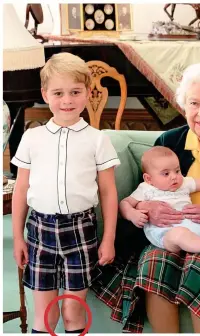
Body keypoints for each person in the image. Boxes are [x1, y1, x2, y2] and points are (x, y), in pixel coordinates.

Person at [90, 62, 200, 333]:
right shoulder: (169, 142)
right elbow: (145, 191)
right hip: (167, 235)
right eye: (194, 103)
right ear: (184, 106)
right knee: (154, 262)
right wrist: (148, 209)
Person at [11, 52, 119, 334]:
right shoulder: (32, 138)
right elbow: (21, 189)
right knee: (45, 316)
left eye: (75, 92)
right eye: (58, 93)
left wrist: (108, 239)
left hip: (80, 230)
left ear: (88, 93)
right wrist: (18, 238)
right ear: (45, 94)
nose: (67, 100)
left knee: (73, 314)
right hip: (39, 230)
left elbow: (108, 193)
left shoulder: (98, 139)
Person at [120, 146, 200, 276]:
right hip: (166, 234)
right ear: (149, 179)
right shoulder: (146, 188)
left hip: (195, 228)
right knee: (181, 234)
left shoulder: (183, 184)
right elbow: (125, 203)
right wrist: (132, 214)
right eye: (166, 174)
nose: (174, 177)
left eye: (177, 171)